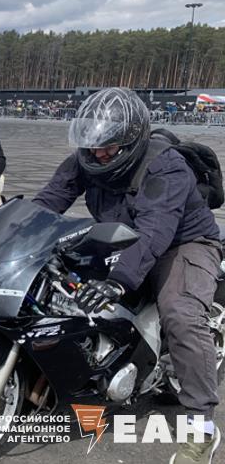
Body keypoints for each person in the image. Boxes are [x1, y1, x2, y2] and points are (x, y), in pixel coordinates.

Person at [32, 88, 221, 464]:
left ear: (133, 141)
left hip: (182, 243)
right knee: (55, 284)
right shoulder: (86, 159)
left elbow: (154, 231)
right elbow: (49, 199)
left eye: (108, 146)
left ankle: (201, 429)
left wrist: (118, 281)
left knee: (181, 314)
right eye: (92, 145)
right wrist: (18, 229)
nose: (98, 154)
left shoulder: (166, 166)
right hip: (119, 236)